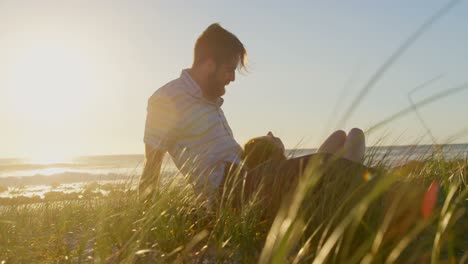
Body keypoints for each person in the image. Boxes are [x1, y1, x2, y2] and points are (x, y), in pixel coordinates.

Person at [139, 23, 367, 206]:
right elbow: (152, 162)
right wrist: (142, 217)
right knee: (328, 162)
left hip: (250, 179)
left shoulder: (209, 100)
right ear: (209, 64)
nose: (232, 77)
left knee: (341, 140)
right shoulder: (166, 99)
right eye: (229, 69)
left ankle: (330, 199)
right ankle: (350, 199)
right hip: (230, 191)